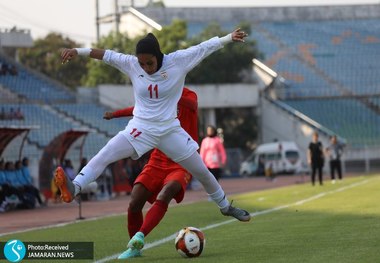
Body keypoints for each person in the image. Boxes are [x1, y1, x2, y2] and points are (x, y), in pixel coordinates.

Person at [54, 29, 250, 232]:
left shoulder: (178, 61)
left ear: (159, 56)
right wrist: (77, 50)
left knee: (201, 171)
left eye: (150, 63)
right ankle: (74, 187)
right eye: (142, 64)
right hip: (141, 128)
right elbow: (106, 55)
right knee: (106, 153)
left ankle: (226, 207)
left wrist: (228, 38)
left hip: (169, 131)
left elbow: (203, 48)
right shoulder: (131, 63)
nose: (146, 68)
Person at [104, 87, 199, 258]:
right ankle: (135, 249)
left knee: (166, 193)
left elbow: (192, 104)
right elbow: (139, 110)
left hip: (182, 161)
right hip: (158, 159)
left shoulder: (188, 94)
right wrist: (115, 114)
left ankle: (139, 236)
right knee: (134, 201)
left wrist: (171, 93)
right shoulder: (157, 95)